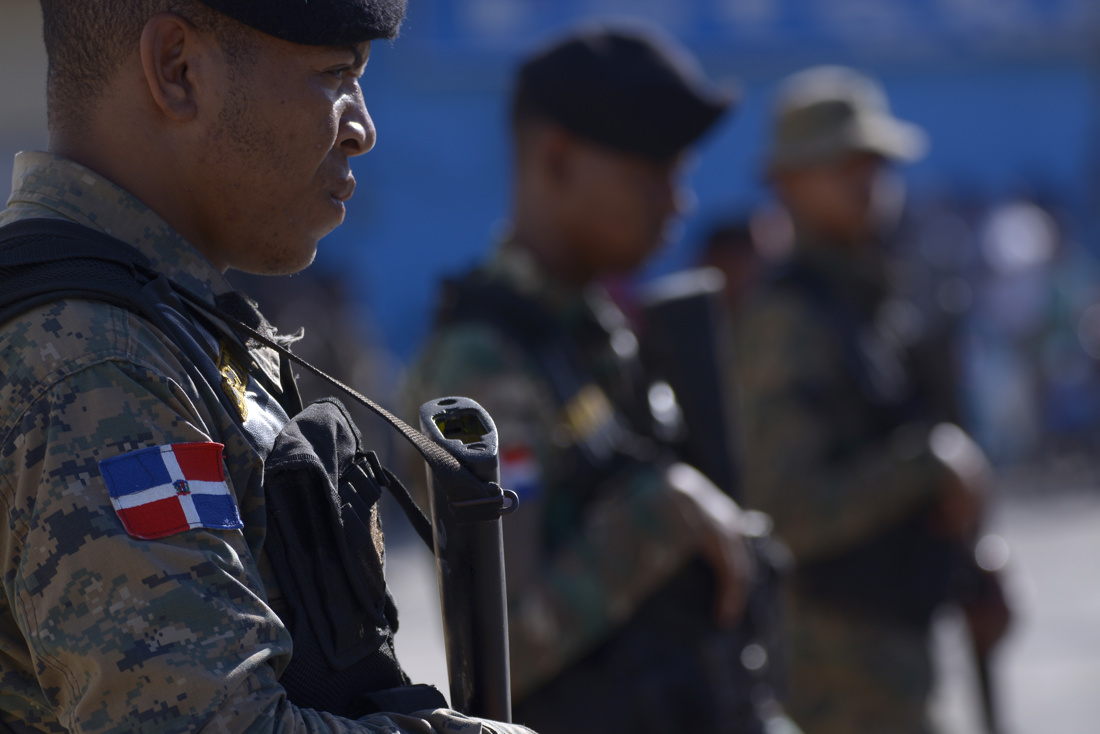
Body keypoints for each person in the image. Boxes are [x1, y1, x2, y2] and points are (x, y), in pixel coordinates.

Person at [0, 1, 535, 732]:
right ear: (178, 71)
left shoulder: (151, 324)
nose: (362, 128)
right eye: (334, 74)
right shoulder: (95, 360)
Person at [405, 24, 795, 734]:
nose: (678, 203)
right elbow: (501, 655)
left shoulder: (593, 335)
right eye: (653, 175)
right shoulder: (483, 363)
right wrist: (659, 514)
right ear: (556, 159)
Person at [734, 65, 1010, 734]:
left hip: (893, 655)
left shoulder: (873, 301)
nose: (866, 182)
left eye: (874, 164)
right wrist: (927, 465)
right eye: (838, 164)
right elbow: (783, 510)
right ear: (787, 184)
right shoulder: (789, 319)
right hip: (831, 680)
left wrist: (974, 565)